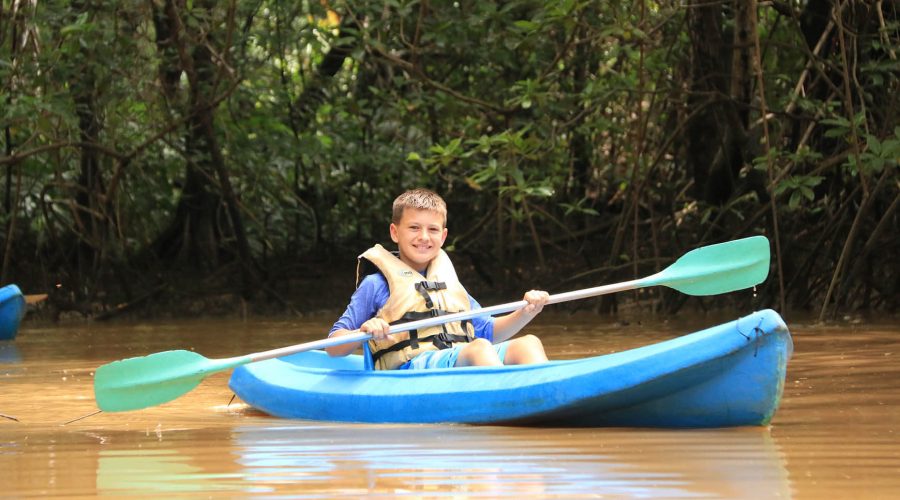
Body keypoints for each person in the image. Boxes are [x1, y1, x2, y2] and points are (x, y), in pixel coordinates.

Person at [327, 188, 550, 370]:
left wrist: (526, 311)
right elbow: (333, 346)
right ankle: (510, 405)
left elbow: (489, 331)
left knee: (528, 344)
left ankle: (548, 398)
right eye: (414, 227)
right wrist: (363, 331)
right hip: (411, 370)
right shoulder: (376, 285)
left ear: (443, 236)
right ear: (395, 232)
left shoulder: (449, 282)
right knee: (479, 348)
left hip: (460, 357)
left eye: (432, 229)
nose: (423, 237)